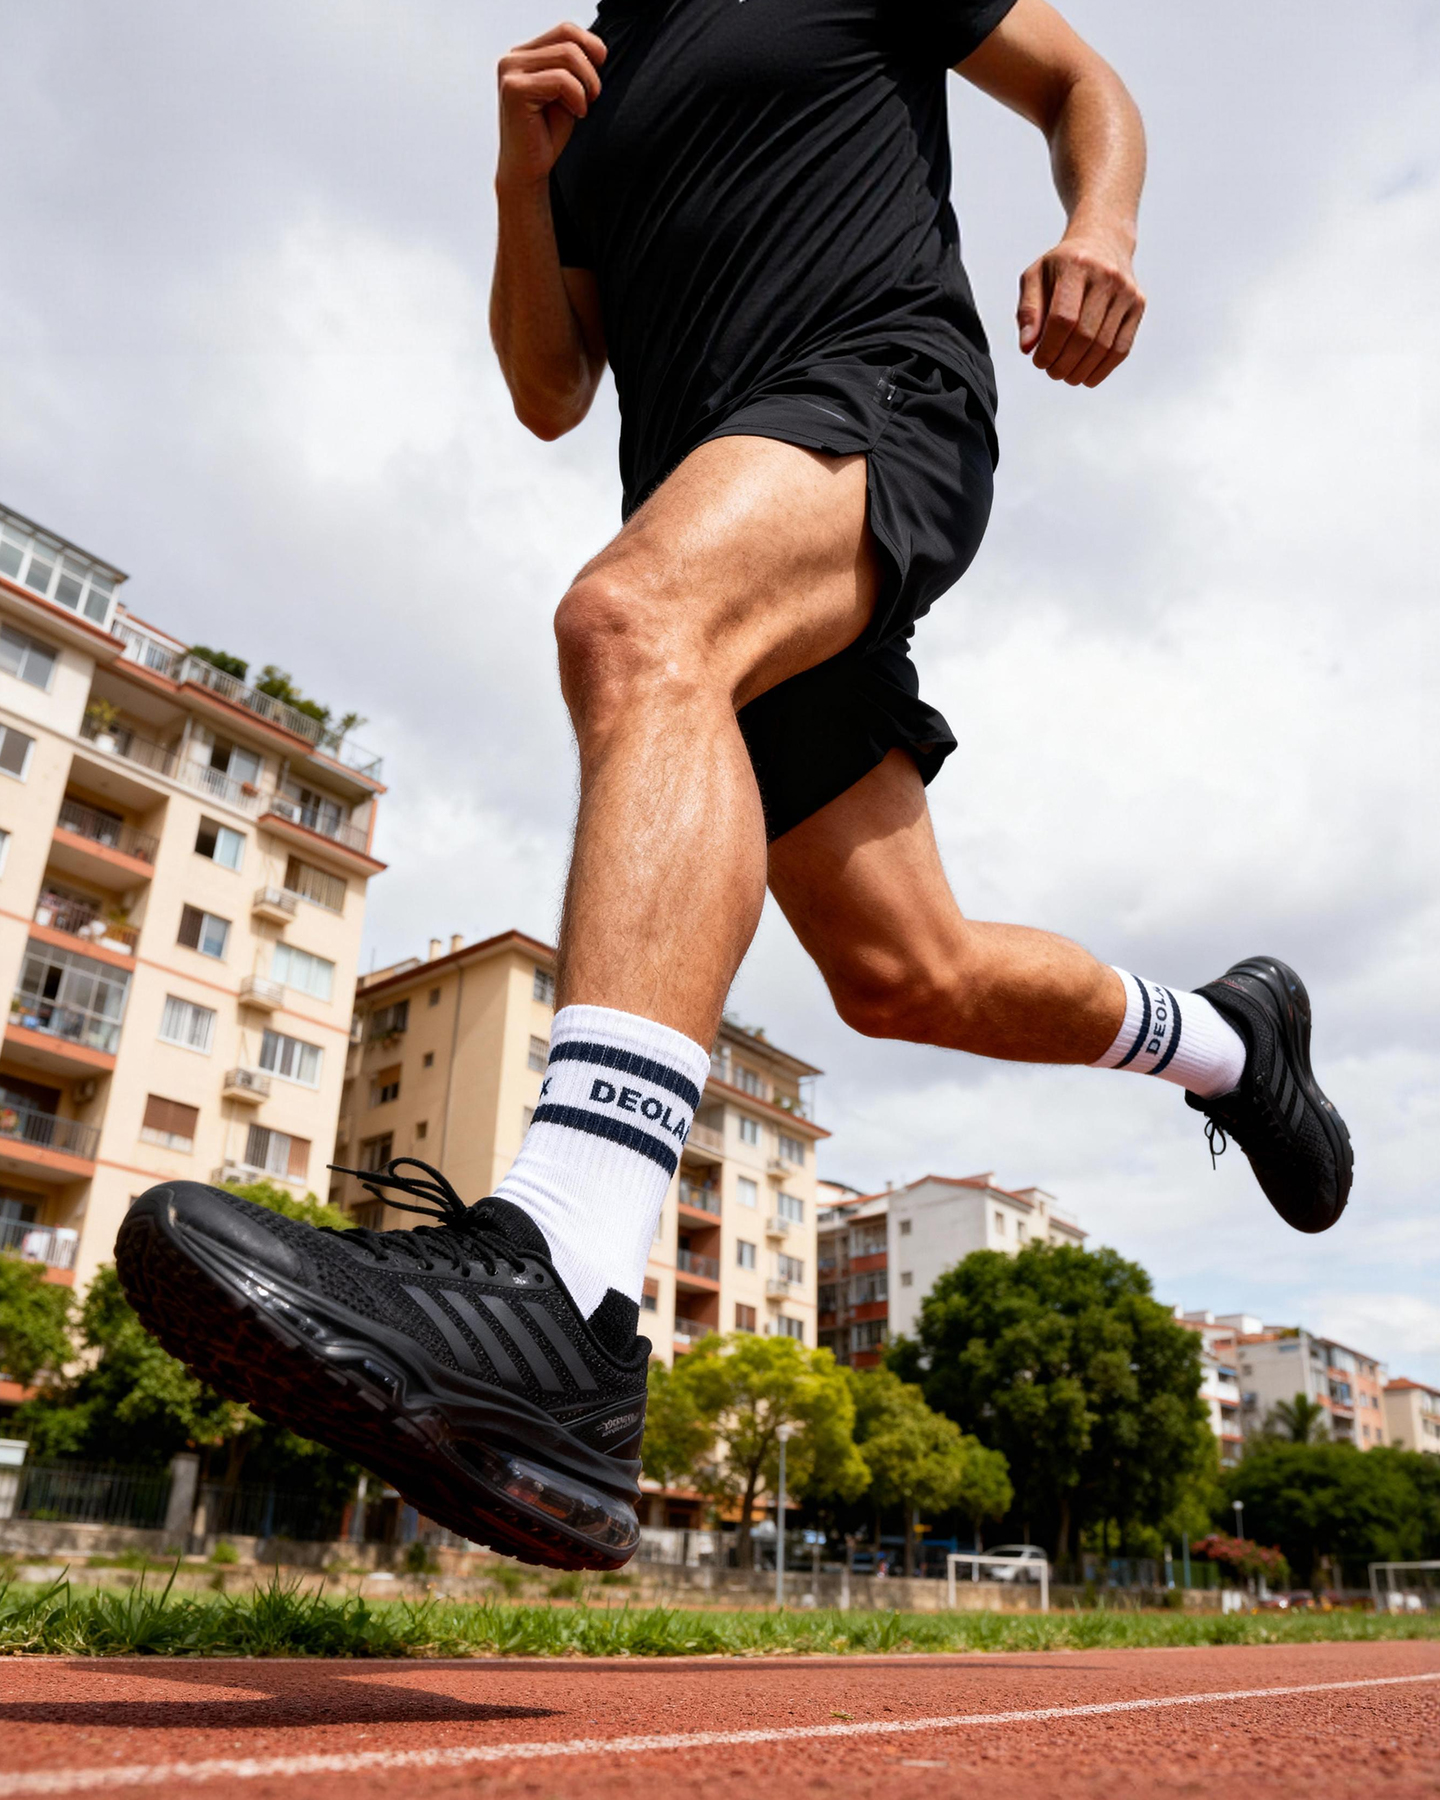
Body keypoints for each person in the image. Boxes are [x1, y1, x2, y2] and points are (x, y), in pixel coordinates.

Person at [118, 0, 1351, 1573]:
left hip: (873, 395)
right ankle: (1238, 1042)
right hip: (725, 518)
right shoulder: (587, 95)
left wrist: (1098, 222)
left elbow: (1077, 83)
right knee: (907, 971)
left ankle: (560, 1281)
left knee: (631, 620)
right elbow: (547, 385)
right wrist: (521, 173)